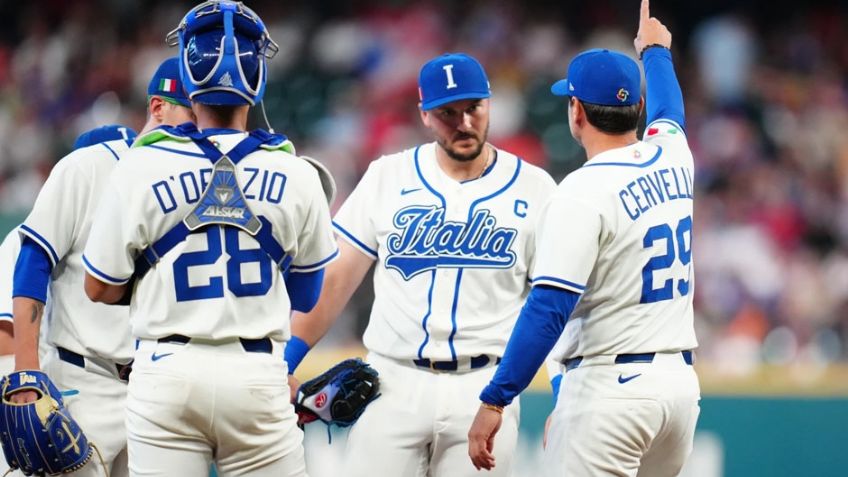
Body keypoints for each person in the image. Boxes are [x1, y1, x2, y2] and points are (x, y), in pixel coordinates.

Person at [83, 2, 337, 475]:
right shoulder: (296, 170)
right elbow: (306, 295)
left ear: (188, 78)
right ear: (257, 79)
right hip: (256, 371)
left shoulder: (141, 165)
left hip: (166, 368)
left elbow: (98, 288)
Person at [287, 52, 557, 477]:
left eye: (473, 108)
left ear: (489, 104)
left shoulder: (537, 187)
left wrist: (563, 393)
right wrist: (283, 362)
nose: (464, 122)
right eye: (448, 112)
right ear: (425, 116)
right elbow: (336, 279)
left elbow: (556, 300)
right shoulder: (387, 176)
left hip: (484, 387)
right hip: (392, 382)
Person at [468, 1, 700, 475]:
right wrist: (656, 52)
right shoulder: (674, 156)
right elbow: (670, 108)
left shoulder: (580, 191)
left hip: (609, 392)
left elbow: (549, 308)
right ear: (635, 108)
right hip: (678, 390)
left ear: (575, 112)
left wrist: (496, 399)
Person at [9, 57, 194, 477]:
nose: (200, 131)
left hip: (157, 386)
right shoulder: (88, 167)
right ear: (158, 108)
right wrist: (26, 373)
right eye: (193, 115)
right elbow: (32, 263)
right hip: (83, 382)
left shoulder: (191, 187)